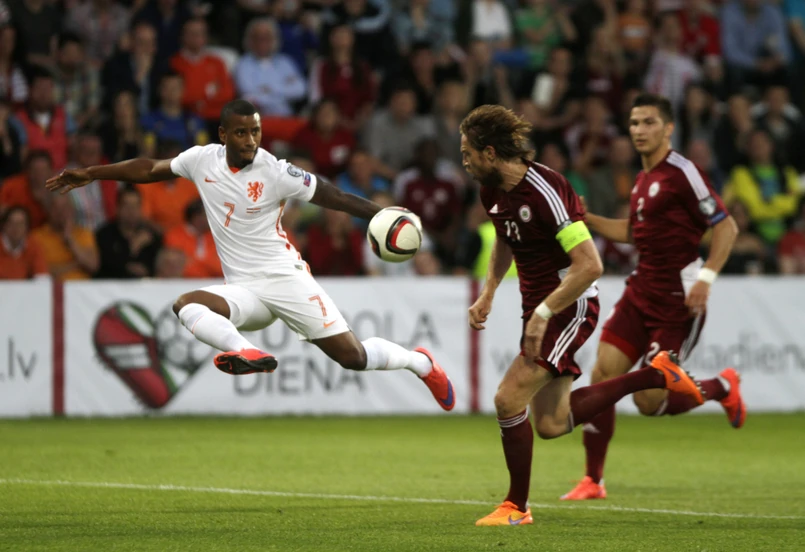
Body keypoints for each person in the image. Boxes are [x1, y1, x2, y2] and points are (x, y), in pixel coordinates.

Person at [46, 98, 455, 411]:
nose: (250, 140)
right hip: (244, 289)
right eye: (241, 133)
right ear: (223, 134)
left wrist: (379, 214)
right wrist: (92, 173)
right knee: (186, 304)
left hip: (286, 279)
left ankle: (420, 363)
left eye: (255, 132)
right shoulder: (201, 159)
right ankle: (243, 351)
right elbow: (149, 169)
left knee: (354, 357)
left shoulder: (275, 171)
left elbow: (333, 195)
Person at [460, 104, 705, 526]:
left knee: (507, 398)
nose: (463, 161)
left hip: (568, 303)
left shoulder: (547, 190)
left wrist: (544, 312)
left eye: (467, 152)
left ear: (490, 152)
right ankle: (653, 375)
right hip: (540, 305)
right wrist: (489, 292)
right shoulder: (492, 189)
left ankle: (516, 507)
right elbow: (504, 237)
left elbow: (590, 265)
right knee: (551, 423)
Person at [562, 93, 745, 502]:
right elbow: (634, 232)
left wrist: (706, 279)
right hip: (641, 289)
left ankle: (721, 386)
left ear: (668, 128)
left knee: (649, 402)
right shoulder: (643, 178)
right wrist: (586, 219)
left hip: (678, 299)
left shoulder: (682, 171)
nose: (639, 130)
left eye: (648, 122)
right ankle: (593, 480)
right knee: (602, 373)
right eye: (634, 123)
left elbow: (726, 226)